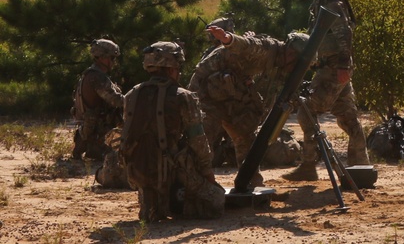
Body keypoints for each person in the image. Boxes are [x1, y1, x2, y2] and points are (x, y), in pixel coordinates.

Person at [282, 0, 371, 181]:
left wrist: (342, 66)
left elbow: (344, 33)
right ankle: (361, 168)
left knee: (307, 112)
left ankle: (309, 166)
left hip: (333, 69)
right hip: (331, 67)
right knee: (348, 117)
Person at [189, 26, 308, 186]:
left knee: (245, 135)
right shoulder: (267, 49)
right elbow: (246, 44)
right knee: (204, 134)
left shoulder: (281, 64)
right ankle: (193, 185)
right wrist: (227, 38)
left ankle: (251, 183)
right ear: (291, 54)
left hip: (232, 90)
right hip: (208, 85)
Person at [120, 41, 225, 222]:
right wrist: (208, 174)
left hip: (138, 169)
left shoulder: (131, 95)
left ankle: (153, 202)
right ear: (171, 67)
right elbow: (198, 140)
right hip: (173, 168)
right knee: (217, 199)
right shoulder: (183, 96)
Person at [71, 39, 124, 161]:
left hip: (90, 127)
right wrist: (133, 99)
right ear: (102, 57)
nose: (113, 62)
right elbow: (115, 100)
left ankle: (87, 144)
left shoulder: (90, 74)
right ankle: (94, 147)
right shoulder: (97, 77)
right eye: (112, 58)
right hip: (97, 130)